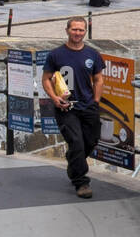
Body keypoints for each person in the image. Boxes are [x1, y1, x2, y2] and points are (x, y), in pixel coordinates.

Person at [42, 16, 105, 199]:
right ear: (67, 30)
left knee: (91, 140)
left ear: (85, 32)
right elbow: (46, 78)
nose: (77, 33)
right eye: (74, 29)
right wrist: (54, 98)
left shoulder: (93, 55)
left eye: (81, 30)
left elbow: (99, 78)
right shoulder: (56, 55)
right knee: (76, 141)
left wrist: (96, 100)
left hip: (88, 105)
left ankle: (73, 160)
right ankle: (81, 182)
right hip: (66, 107)